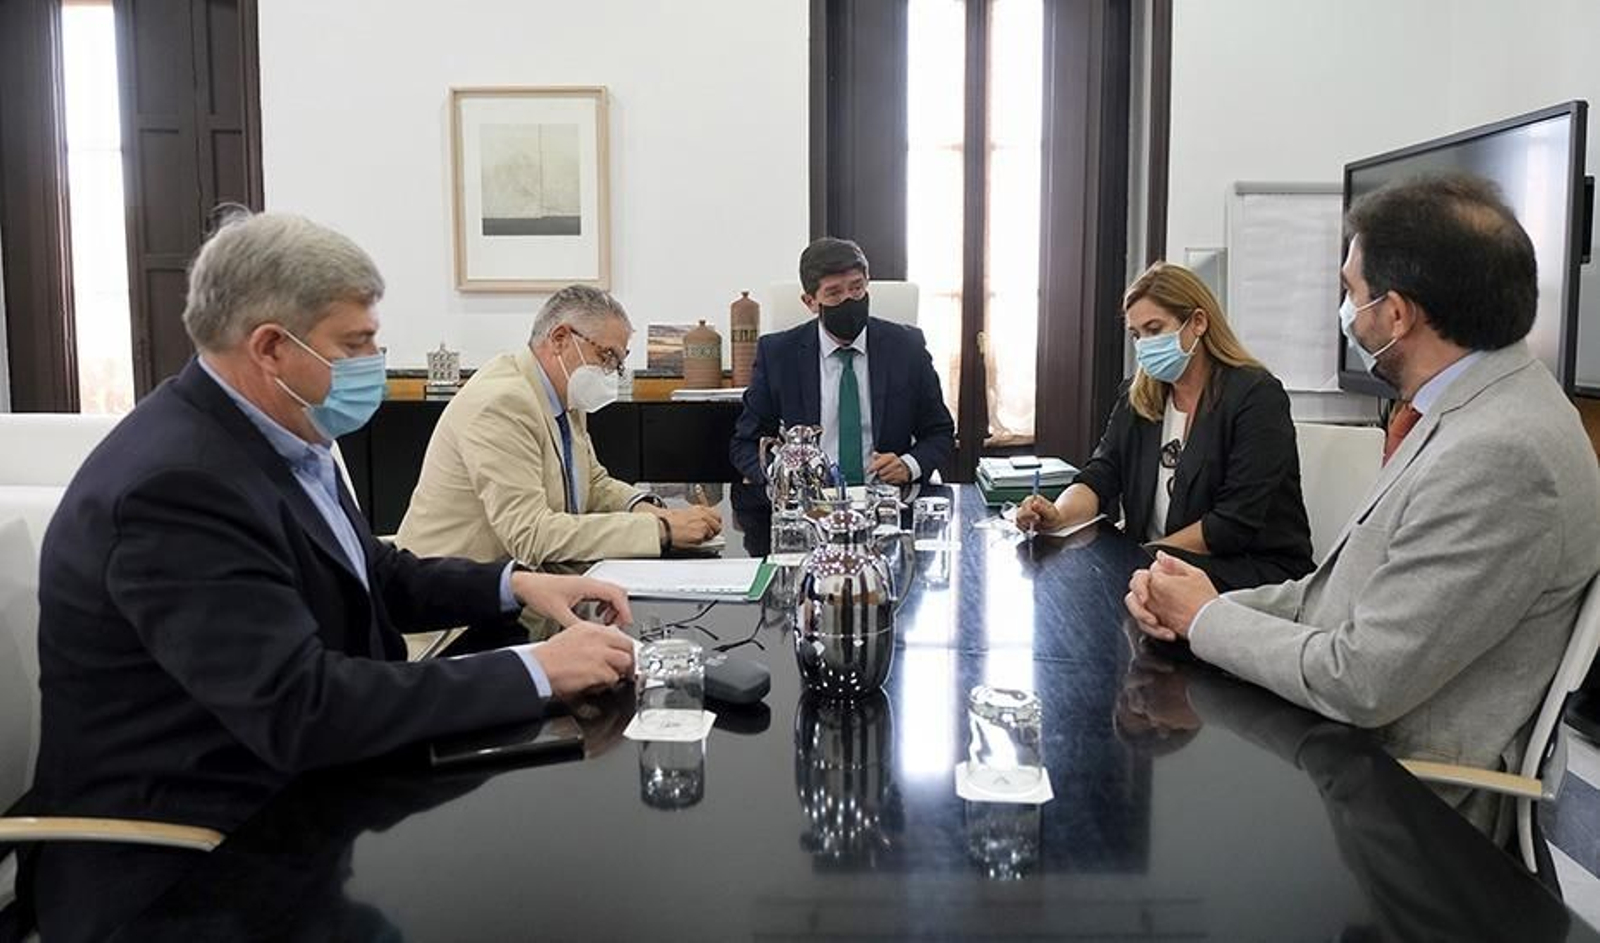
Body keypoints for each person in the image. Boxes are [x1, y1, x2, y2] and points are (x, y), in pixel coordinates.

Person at [22, 213, 638, 938]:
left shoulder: (282, 433)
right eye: (355, 343)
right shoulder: (178, 486)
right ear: (271, 348)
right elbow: (302, 707)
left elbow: (371, 570)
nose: (375, 361)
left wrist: (515, 585)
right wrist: (536, 668)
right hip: (193, 861)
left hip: (305, 797)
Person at [1125, 174, 1600, 842]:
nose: (1345, 311)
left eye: (1350, 291)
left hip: (1403, 809)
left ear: (1396, 314)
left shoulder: (1501, 454)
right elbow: (1328, 595)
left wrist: (1204, 619)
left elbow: (1360, 679)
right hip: (1344, 746)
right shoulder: (1464, 408)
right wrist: (1200, 605)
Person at [1017, 262, 1314, 591]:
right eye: (1136, 335)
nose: (1144, 345)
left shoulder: (1255, 396)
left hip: (1248, 569)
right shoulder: (1138, 397)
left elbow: (1231, 523)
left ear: (1198, 322)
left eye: (1154, 329)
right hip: (1155, 566)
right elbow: (1099, 476)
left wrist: (1140, 558)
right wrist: (1057, 515)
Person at [396, 285, 721, 566]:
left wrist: (651, 510)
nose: (610, 372)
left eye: (618, 363)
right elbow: (531, 536)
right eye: (607, 356)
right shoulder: (501, 403)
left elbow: (592, 483)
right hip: (454, 602)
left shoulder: (563, 394)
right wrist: (661, 531)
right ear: (560, 338)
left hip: (523, 585)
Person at [730, 237, 954, 485]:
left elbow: (939, 432)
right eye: (834, 293)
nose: (849, 299)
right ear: (810, 302)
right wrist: (784, 476)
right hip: (811, 497)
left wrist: (909, 465)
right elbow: (746, 443)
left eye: (856, 288)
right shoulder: (779, 354)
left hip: (887, 495)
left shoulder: (906, 347)